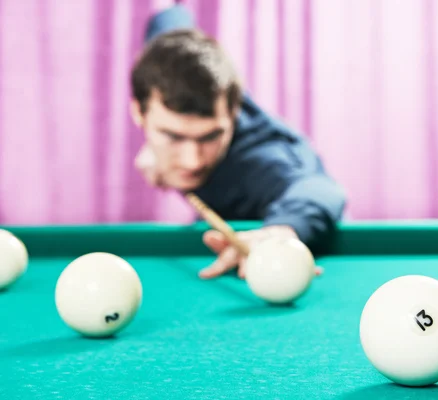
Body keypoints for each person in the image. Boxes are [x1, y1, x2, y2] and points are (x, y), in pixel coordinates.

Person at [130, 5, 346, 279]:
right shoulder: (167, 60)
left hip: (288, 245)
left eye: (211, 136)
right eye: (172, 136)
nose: (192, 160)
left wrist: (282, 232)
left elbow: (322, 190)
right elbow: (170, 20)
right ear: (139, 111)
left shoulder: (259, 160)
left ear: (233, 113)